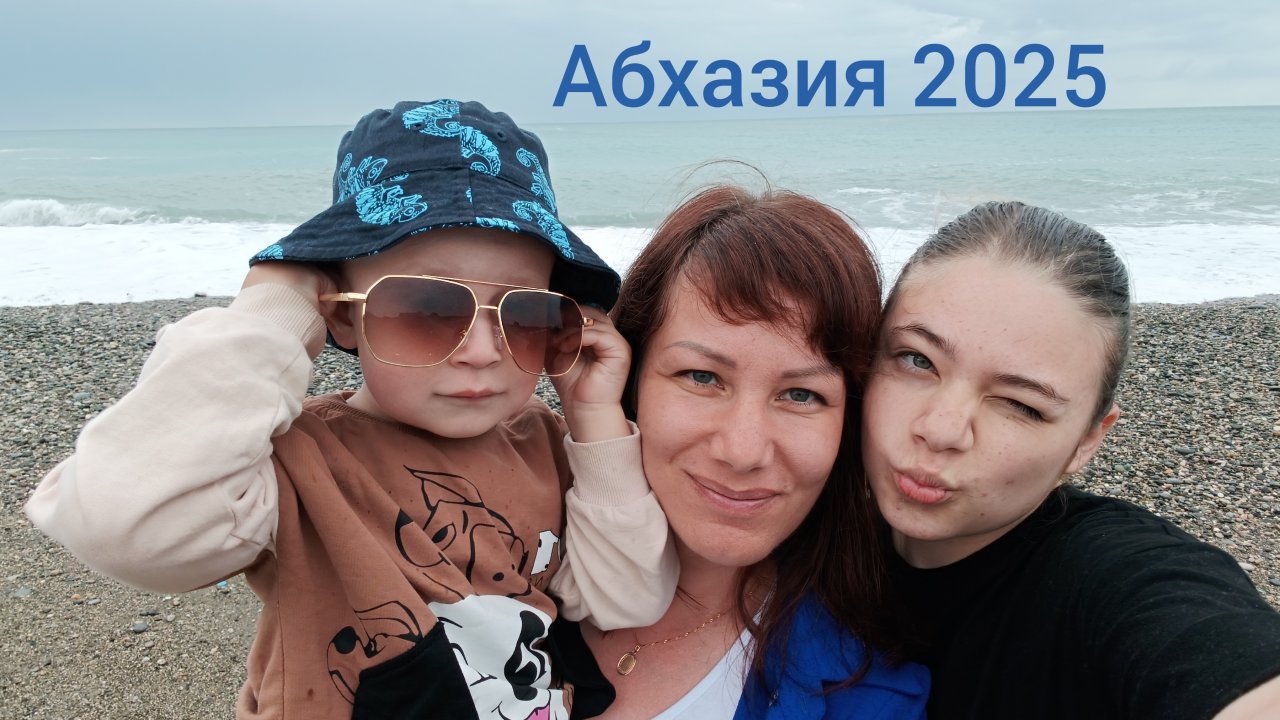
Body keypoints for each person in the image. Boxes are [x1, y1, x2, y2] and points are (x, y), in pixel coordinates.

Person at [24, 99, 678, 720]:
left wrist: (593, 415)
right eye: (426, 308)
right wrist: (275, 306)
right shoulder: (294, 457)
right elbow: (125, 526)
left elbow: (625, 597)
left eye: (526, 313)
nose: (483, 352)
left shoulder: (549, 446)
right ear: (339, 317)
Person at [863, 200, 1280, 719]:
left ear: (1087, 440)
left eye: (1021, 404)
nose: (941, 429)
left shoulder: (1113, 579)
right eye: (916, 359)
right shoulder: (799, 508)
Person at [555, 185, 930, 719]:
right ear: (628, 378)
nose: (743, 451)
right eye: (702, 377)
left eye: (801, 395)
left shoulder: (870, 698)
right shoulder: (488, 537)